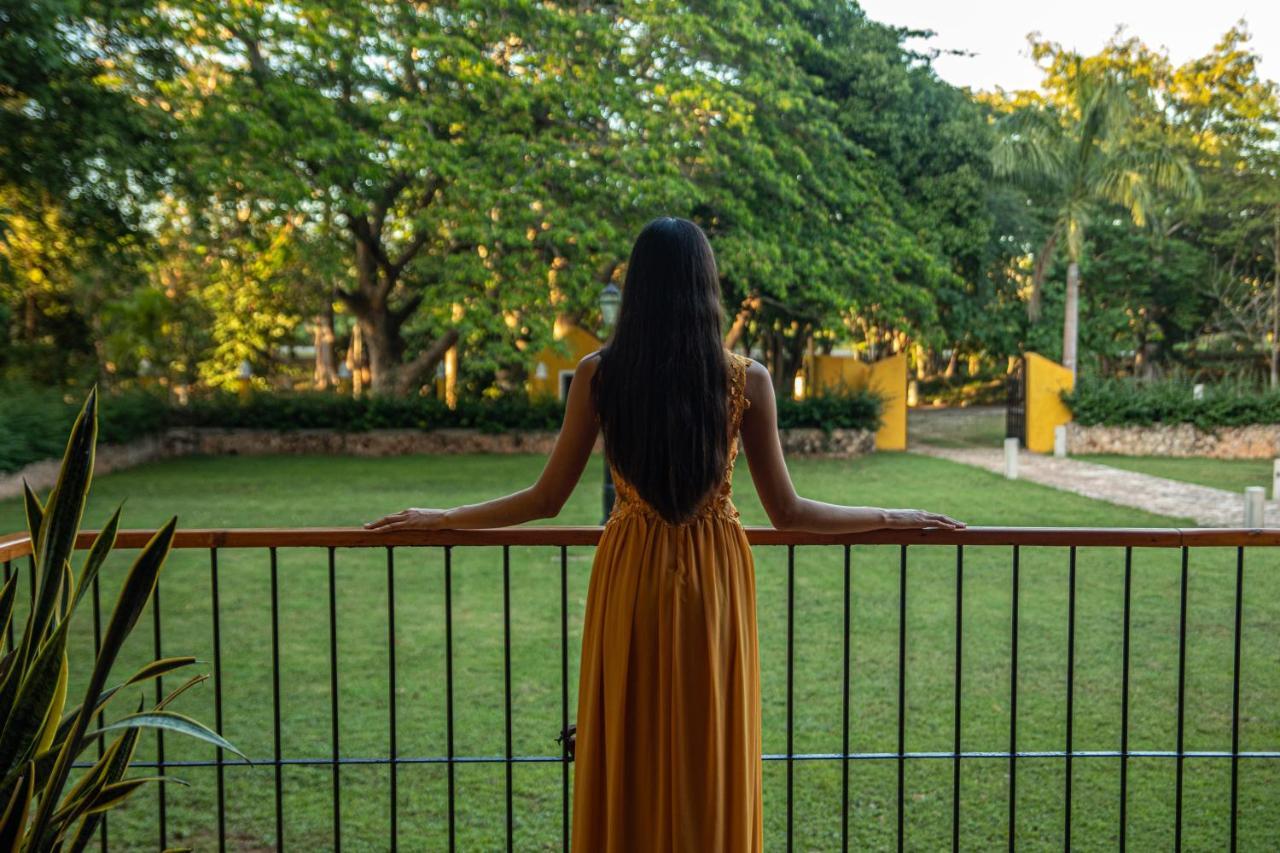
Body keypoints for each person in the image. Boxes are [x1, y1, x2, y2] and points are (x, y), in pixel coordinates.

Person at [364, 217, 964, 851]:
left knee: (629, 734)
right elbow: (789, 512)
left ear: (637, 287)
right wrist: (896, 517)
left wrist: (444, 517)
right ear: (707, 286)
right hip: (715, 575)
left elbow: (545, 499)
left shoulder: (601, 374)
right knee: (712, 740)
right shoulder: (746, 379)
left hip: (631, 570)